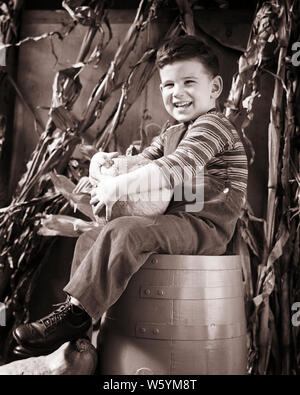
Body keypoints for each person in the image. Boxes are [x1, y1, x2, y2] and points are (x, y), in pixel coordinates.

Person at [13, 35, 248, 358]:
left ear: (216, 88)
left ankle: (76, 315)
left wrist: (117, 188)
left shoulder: (214, 127)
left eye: (189, 82)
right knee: (93, 236)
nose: (177, 93)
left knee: (125, 231)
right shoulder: (171, 133)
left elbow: (175, 167)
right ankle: (76, 315)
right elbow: (141, 164)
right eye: (168, 85)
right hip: (172, 222)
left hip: (204, 225)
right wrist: (104, 172)